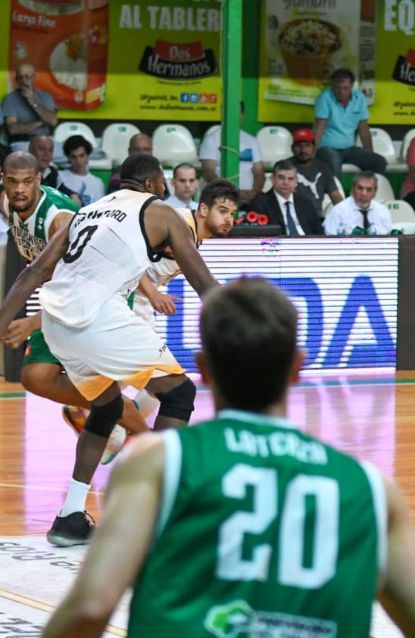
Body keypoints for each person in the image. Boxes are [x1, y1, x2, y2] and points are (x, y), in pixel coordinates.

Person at [41, 278, 415, 638]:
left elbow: (91, 607)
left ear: (204, 370)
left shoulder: (157, 461)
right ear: (297, 368)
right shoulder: (370, 488)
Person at [0, 153, 220, 546]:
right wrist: (241, 323)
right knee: (179, 394)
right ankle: (157, 514)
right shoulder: (162, 212)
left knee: (106, 407)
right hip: (97, 318)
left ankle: (70, 518)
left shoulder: (89, 210)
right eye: (162, 182)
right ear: (152, 184)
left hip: (56, 322)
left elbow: (33, 272)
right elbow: (203, 280)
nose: (165, 188)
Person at [0, 151, 151, 465]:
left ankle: (154, 446)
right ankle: (103, 410)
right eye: (12, 182)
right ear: (4, 181)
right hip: (64, 296)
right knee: (36, 376)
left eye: (27, 182)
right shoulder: (8, 204)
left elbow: (83, 290)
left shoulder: (59, 220)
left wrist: (30, 323)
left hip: (100, 297)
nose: (19, 189)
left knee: (99, 388)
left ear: (39, 180)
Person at [134, 179, 238, 326]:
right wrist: (153, 294)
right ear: (204, 209)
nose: (229, 220)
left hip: (140, 298)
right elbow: (128, 257)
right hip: (126, 295)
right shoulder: (180, 226)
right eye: (222, 211)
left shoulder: (193, 230)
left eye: (232, 213)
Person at [313, 68, 387, 175]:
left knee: (379, 162)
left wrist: (369, 153)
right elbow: (319, 127)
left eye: (345, 88)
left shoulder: (359, 98)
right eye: (337, 87)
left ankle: (365, 185)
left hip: (349, 149)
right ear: (332, 86)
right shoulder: (324, 98)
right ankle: (336, 187)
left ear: (351, 86)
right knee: (334, 161)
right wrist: (313, 154)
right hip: (326, 149)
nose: (341, 92)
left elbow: (363, 129)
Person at [199, 105, 265, 203]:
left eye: (237, 112)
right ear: (222, 114)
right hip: (221, 197)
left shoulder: (252, 141)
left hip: (250, 198)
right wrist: (231, 193)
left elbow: (259, 172)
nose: (232, 115)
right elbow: (208, 173)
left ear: (242, 116)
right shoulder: (211, 139)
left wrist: (254, 192)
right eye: (229, 111)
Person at [244, 160, 322, 236]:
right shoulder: (259, 204)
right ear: (272, 179)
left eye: (290, 179)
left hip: (307, 242)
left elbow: (319, 233)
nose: (286, 182)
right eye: (281, 178)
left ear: (296, 181)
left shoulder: (306, 203)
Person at [288, 127, 343, 218]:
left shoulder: (323, 168)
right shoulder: (285, 167)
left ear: (314, 148)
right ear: (292, 148)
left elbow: (335, 196)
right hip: (292, 217)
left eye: (307, 145)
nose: (303, 150)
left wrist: (346, 216)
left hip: (316, 219)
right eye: (299, 146)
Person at [2, 63, 58, 150]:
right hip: (23, 141)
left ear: (34, 77)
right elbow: (13, 129)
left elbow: (53, 121)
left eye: (27, 76)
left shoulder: (45, 96)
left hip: (46, 140)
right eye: (20, 77)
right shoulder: (10, 99)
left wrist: (32, 101)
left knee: (63, 156)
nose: (23, 81)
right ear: (16, 80)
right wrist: (40, 122)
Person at [324, 171, 395, 236]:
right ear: (353, 189)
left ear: (375, 192)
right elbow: (330, 239)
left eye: (369, 189)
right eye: (360, 188)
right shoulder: (338, 211)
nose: (364, 193)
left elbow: (390, 239)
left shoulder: (383, 211)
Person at [57, 135, 105, 207]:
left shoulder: (97, 183)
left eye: (81, 156)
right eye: (74, 157)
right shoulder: (59, 177)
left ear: (87, 156)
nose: (78, 161)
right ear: (68, 157)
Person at [28, 135, 77, 199]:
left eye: (50, 150)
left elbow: (63, 190)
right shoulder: (21, 172)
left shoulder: (52, 172)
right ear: (31, 151)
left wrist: (72, 195)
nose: (47, 154)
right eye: (42, 149)